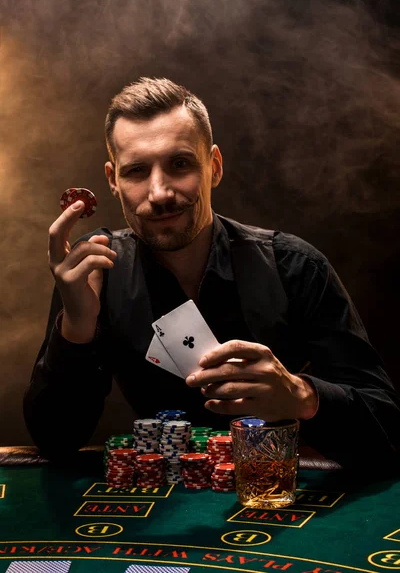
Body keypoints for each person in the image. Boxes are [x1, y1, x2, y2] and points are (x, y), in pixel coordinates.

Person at [24, 77, 400, 471]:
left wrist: (304, 397)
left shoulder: (296, 266)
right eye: (136, 171)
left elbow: (388, 431)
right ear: (113, 181)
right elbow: (54, 441)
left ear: (214, 167)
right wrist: (77, 328)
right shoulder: (94, 272)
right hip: (161, 514)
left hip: (279, 499)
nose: (159, 192)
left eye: (180, 164)